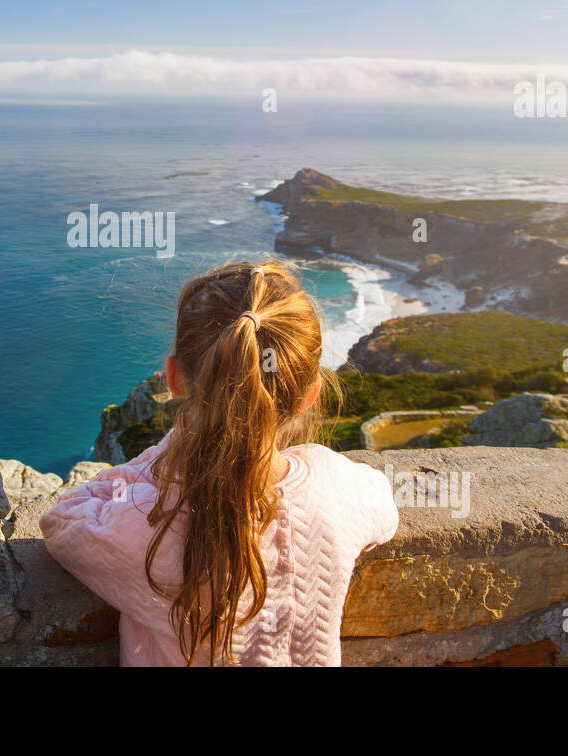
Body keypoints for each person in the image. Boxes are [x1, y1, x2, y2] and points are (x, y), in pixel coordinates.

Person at [41, 261, 398, 666]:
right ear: (310, 393)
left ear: (174, 377)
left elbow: (60, 520)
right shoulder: (336, 486)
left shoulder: (147, 519)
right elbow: (383, 504)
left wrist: (173, 454)